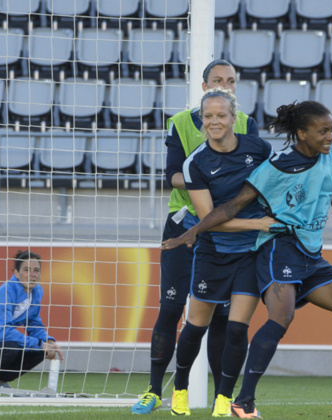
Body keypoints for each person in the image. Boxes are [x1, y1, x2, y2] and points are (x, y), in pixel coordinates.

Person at [162, 101, 332, 418]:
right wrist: (194, 231)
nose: (330, 137)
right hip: (278, 248)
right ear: (301, 134)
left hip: (311, 255)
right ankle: (244, 401)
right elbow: (232, 206)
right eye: (323, 131)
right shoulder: (276, 166)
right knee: (281, 318)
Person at [132, 59, 259, 415]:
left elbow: (259, 177)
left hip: (227, 233)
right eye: (218, 80)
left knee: (221, 317)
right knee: (171, 308)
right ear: (204, 87)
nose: (226, 85)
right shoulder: (179, 123)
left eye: (231, 80)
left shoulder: (247, 124)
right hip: (184, 224)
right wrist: (204, 184)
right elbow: (172, 175)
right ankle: (155, 390)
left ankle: (224, 398)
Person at [167, 87, 275, 417]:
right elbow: (208, 220)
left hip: (250, 255)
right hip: (213, 253)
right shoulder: (195, 163)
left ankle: (224, 399)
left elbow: (274, 189)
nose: (215, 121)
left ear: (233, 118)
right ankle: (180, 388)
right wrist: (259, 225)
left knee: (237, 328)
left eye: (221, 115)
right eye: (208, 116)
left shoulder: (260, 149)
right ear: (202, 120)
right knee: (196, 326)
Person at [0, 250, 63, 393]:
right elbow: (3, 333)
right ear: (16, 273)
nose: (32, 274)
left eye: (36, 270)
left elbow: (34, 323)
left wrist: (48, 341)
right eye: (26, 270)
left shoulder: (37, 292)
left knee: (40, 351)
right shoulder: (5, 292)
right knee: (12, 346)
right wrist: (39, 344)